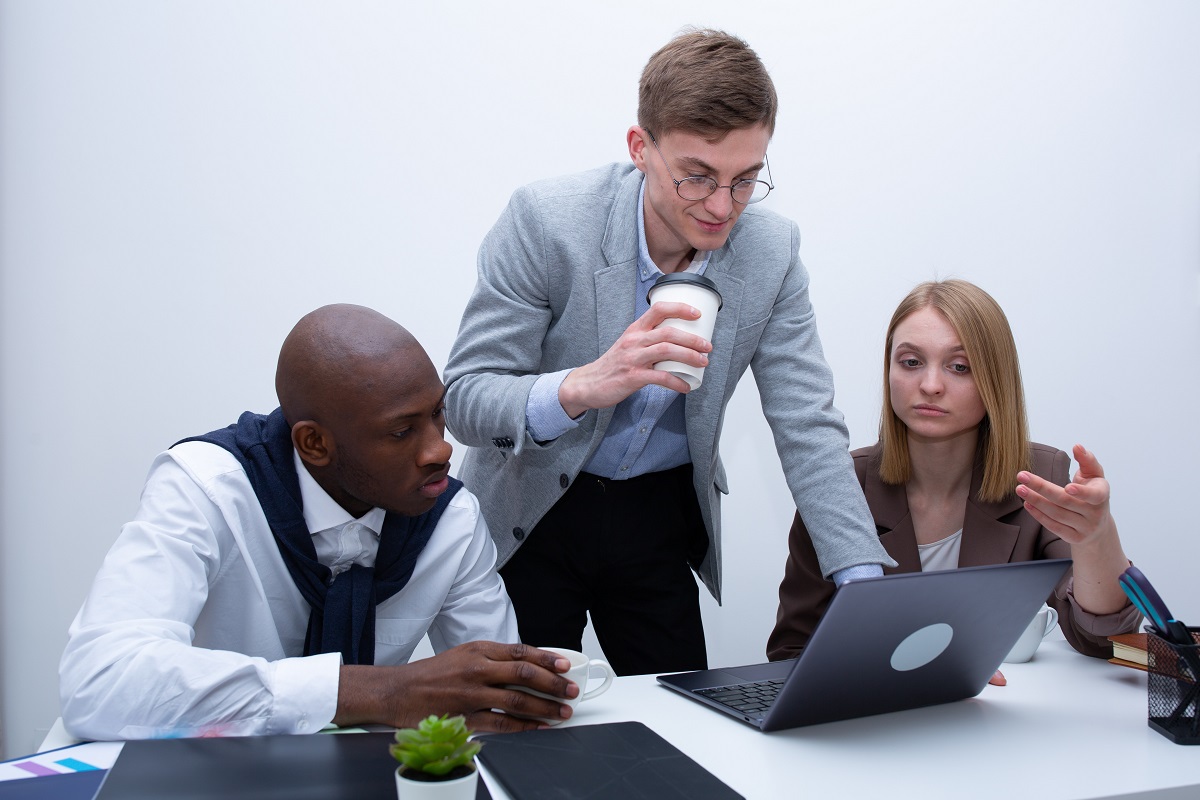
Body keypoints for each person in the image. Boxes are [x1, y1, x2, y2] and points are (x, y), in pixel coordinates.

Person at [442, 28, 895, 677]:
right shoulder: (548, 221)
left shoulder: (772, 252)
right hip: (531, 511)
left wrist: (865, 590)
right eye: (697, 178)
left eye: (746, 181)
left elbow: (808, 425)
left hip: (657, 518)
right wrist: (581, 386)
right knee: (519, 732)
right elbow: (465, 398)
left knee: (684, 736)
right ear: (640, 148)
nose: (721, 207)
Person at [60, 304, 578, 740]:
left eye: (437, 416)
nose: (440, 449)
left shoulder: (450, 518)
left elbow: (493, 705)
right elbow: (100, 680)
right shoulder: (206, 491)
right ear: (314, 443)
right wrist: (378, 691)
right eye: (401, 432)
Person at [767, 280, 1140, 676]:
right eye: (910, 362)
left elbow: (1100, 639)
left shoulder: (1039, 475)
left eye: (959, 367)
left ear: (996, 380)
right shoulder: (840, 483)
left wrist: (1097, 538)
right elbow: (792, 649)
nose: (930, 385)